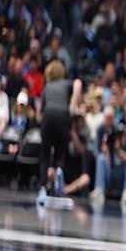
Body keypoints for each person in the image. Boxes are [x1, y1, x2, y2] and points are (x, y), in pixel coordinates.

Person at [37, 60, 82, 203]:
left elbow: (39, 112)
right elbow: (78, 83)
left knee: (45, 155)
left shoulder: (48, 86)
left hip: (48, 115)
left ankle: (43, 187)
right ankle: (58, 184)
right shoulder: (66, 83)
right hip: (63, 116)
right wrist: (72, 107)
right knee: (60, 154)